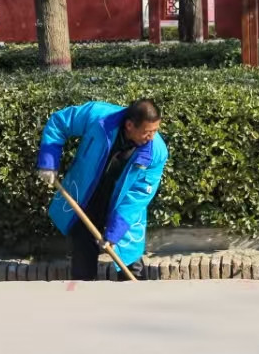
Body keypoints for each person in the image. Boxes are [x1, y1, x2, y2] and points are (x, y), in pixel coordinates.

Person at [35, 99, 167, 281]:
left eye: (155, 131)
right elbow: (59, 122)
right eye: (147, 132)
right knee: (83, 256)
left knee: (129, 258)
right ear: (129, 125)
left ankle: (135, 294)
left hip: (123, 205)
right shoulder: (98, 116)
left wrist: (114, 233)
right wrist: (48, 161)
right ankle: (84, 293)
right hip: (88, 196)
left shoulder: (156, 152)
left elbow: (138, 197)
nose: (151, 137)